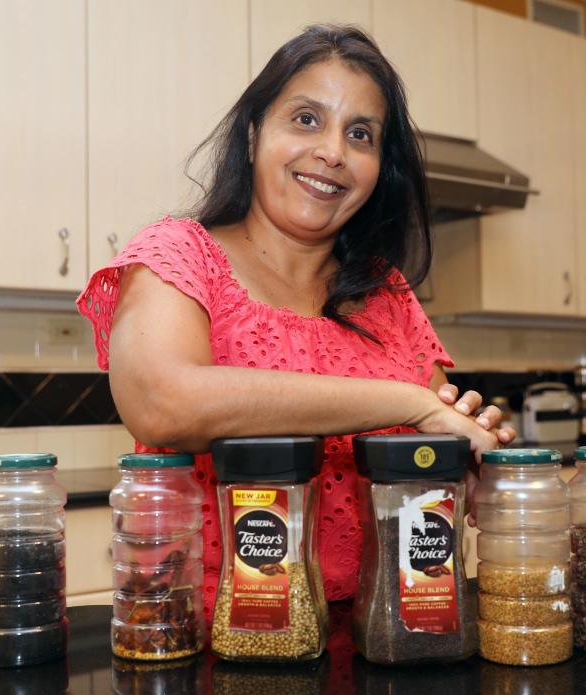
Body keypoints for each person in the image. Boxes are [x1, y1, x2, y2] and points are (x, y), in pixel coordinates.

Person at [77, 24, 515, 622]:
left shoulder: (389, 295)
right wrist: (410, 402)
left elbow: (427, 493)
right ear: (256, 133)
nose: (333, 151)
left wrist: (476, 468)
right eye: (307, 119)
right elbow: (163, 403)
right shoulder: (178, 253)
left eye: (360, 134)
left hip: (376, 634)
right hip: (206, 638)